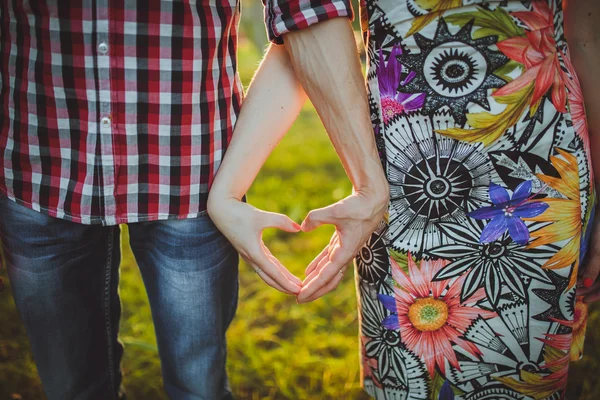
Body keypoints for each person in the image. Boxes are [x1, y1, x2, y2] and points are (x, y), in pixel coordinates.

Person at [208, 0, 600, 398]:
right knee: (413, 375)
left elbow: (585, 35)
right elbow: (306, 23)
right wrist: (228, 190)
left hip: (546, 166)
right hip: (406, 183)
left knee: (528, 372)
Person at [0, 1, 318, 399]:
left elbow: (307, 15)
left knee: (197, 385)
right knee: (70, 387)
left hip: (193, 175)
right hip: (40, 167)